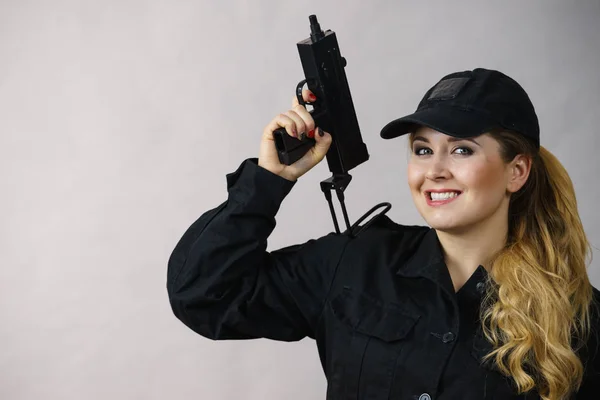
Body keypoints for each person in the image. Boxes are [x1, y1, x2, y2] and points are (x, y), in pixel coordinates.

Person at [166, 68, 600, 399]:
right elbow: (204, 295)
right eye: (423, 149)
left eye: (462, 149)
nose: (435, 171)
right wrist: (268, 179)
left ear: (516, 171)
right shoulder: (352, 262)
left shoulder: (581, 318)